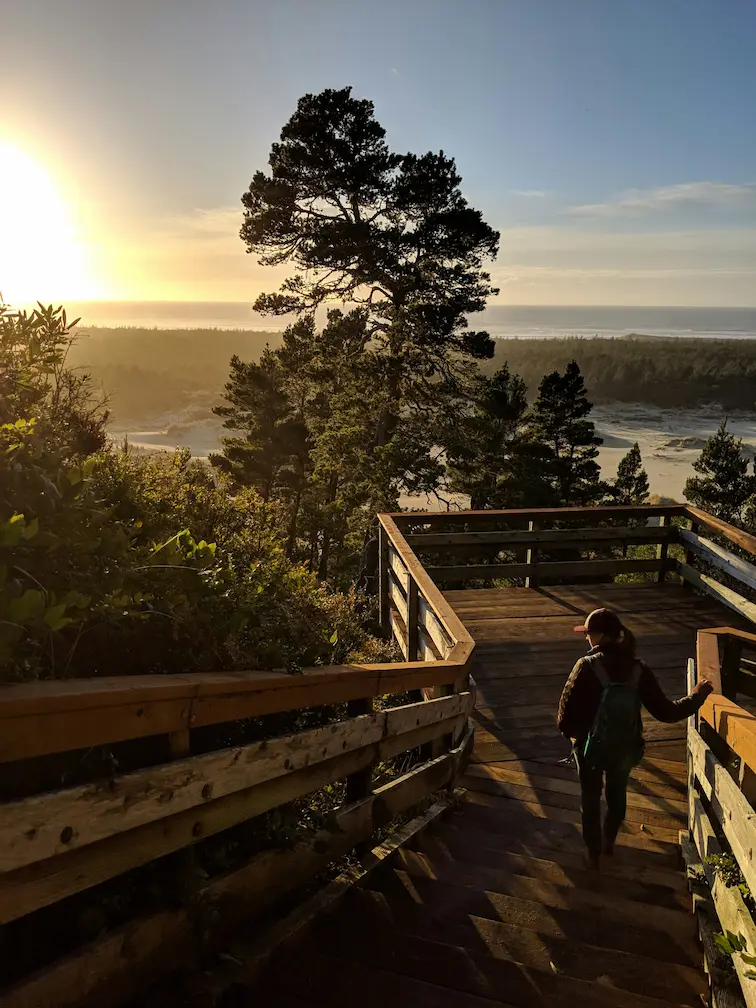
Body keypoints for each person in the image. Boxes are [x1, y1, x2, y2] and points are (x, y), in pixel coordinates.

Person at [557, 607, 713, 870]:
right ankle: (609, 841)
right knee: (617, 794)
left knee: (590, 797)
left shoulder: (585, 666)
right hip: (624, 747)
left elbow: (564, 716)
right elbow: (666, 712)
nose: (586, 638)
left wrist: (575, 737)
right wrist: (698, 694)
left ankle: (593, 853)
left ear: (600, 636)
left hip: (588, 747)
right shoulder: (638, 669)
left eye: (589, 633)